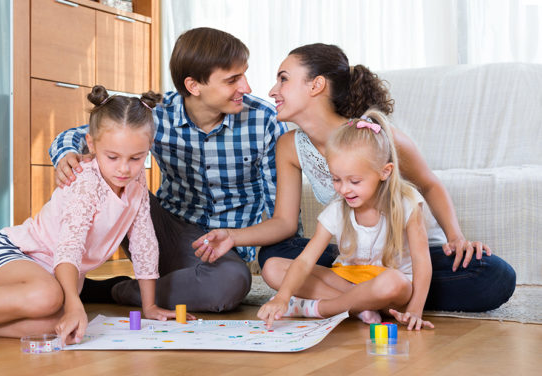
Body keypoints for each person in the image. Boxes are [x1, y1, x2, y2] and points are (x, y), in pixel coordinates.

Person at [193, 43, 516, 312]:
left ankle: (370, 296)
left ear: (316, 85)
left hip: (403, 256)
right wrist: (233, 236)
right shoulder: (289, 145)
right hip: (353, 258)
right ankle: (371, 300)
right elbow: (284, 223)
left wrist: (456, 238)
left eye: (283, 79)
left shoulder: (375, 138)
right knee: (275, 256)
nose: (272, 90)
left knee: (494, 275)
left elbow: (429, 184)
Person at [0, 86, 188, 344]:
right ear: (91, 144)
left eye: (135, 158)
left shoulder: (137, 183)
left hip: (47, 279)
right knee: (50, 297)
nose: (124, 169)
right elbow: (69, 247)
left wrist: (149, 305)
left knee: (54, 324)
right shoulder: (85, 182)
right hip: (4, 258)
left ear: (149, 147)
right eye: (113, 156)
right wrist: (74, 304)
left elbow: (144, 242)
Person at [49, 27, 288, 312]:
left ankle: (115, 290)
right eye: (233, 80)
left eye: (244, 75)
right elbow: (81, 134)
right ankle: (52, 266)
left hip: (225, 247)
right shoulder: (157, 114)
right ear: (193, 86)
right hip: (163, 227)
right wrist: (67, 156)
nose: (246, 87)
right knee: (98, 168)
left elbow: (281, 213)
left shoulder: (265, 121)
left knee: (229, 284)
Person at [257, 114, 435, 330]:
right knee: (272, 268)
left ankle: (319, 309)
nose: (344, 189)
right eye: (336, 179)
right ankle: (360, 308)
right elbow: (305, 261)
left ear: (384, 172)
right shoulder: (337, 208)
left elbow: (422, 261)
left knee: (394, 282)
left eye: (355, 181)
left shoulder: (407, 203)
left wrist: (415, 310)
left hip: (389, 292)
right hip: (346, 280)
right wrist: (282, 297)